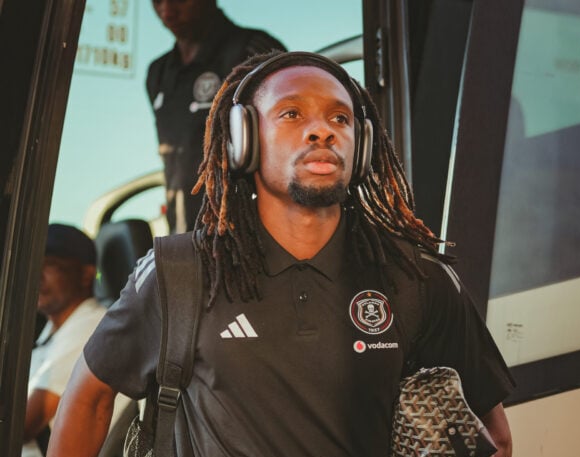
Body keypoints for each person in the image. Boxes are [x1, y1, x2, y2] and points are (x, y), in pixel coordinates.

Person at [48, 51, 515, 456]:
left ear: (363, 144)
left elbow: (494, 437)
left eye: (340, 119)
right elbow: (89, 400)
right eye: (291, 114)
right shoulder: (178, 273)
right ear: (243, 140)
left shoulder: (416, 276)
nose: (322, 131)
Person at [148, 0, 285, 233]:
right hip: (184, 235)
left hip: (244, 237)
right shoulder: (159, 73)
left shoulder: (253, 51)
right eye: (157, 0)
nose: (167, 10)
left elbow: (283, 150)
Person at [22, 224, 129, 456]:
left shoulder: (91, 326)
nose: (37, 275)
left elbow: (22, 423)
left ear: (86, 275)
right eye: (34, 264)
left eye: (50, 265)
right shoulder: (53, 331)